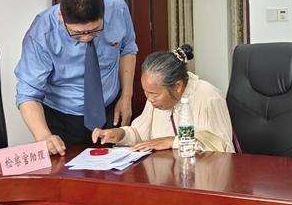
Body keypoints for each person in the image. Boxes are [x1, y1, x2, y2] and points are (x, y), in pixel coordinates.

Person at [15, 0, 137, 155]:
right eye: (77, 33)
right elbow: (28, 93)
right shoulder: (41, 33)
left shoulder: (117, 7)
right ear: (61, 17)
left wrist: (126, 96)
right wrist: (44, 136)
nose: (86, 38)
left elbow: (128, 48)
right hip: (62, 116)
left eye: (94, 30)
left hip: (109, 109)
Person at [92, 44, 234, 153]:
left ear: (177, 86)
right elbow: (140, 134)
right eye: (146, 92)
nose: (149, 99)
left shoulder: (208, 96)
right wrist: (120, 134)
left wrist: (173, 141)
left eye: (154, 94)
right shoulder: (153, 99)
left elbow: (223, 147)